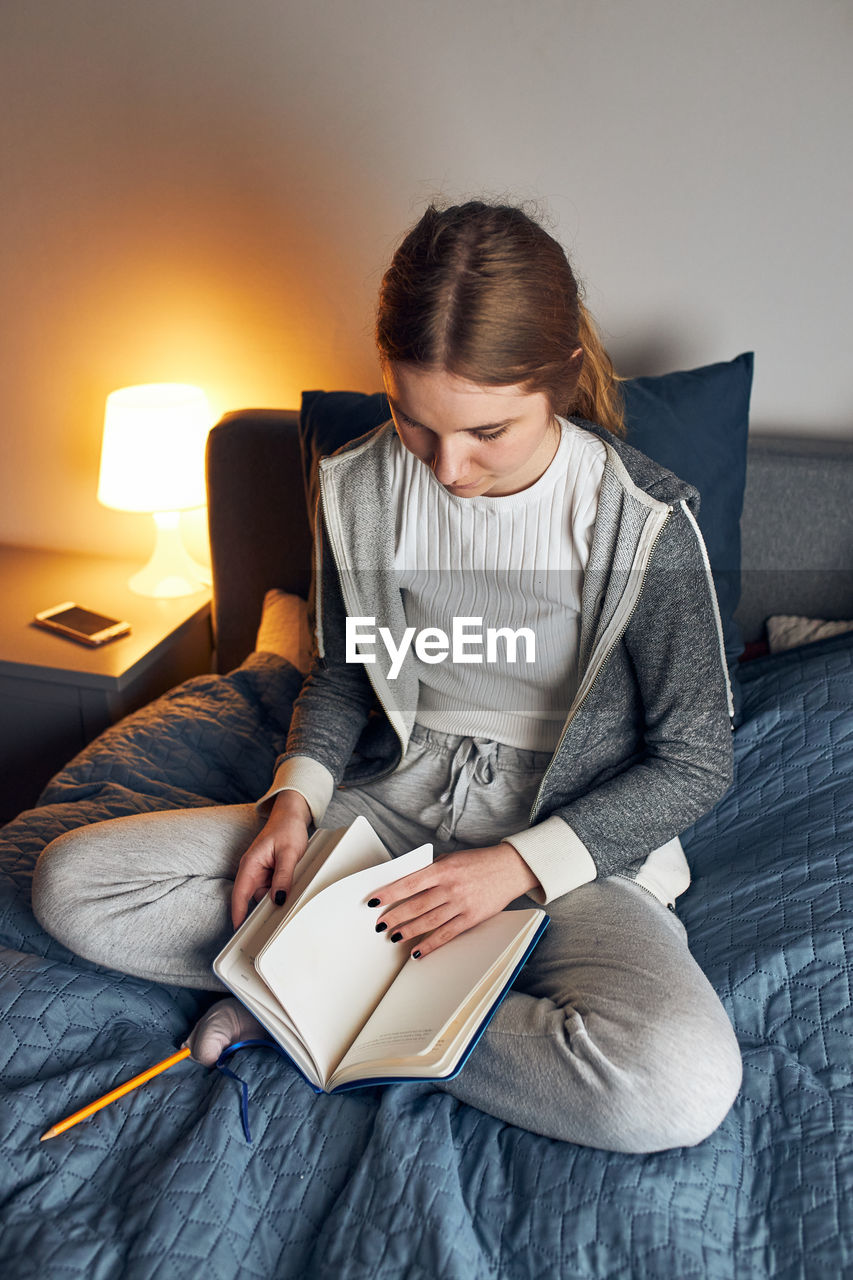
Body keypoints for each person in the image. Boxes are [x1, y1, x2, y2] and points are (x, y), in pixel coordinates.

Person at [33, 200, 742, 1152]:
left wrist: (515, 868)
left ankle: (301, 999)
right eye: (415, 424)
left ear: (563, 380)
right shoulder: (354, 482)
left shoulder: (645, 526)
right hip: (386, 817)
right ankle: (341, 994)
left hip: (569, 845)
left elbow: (697, 759)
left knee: (674, 1086)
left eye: (487, 431)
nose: (449, 470)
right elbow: (344, 672)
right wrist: (292, 801)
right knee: (75, 885)